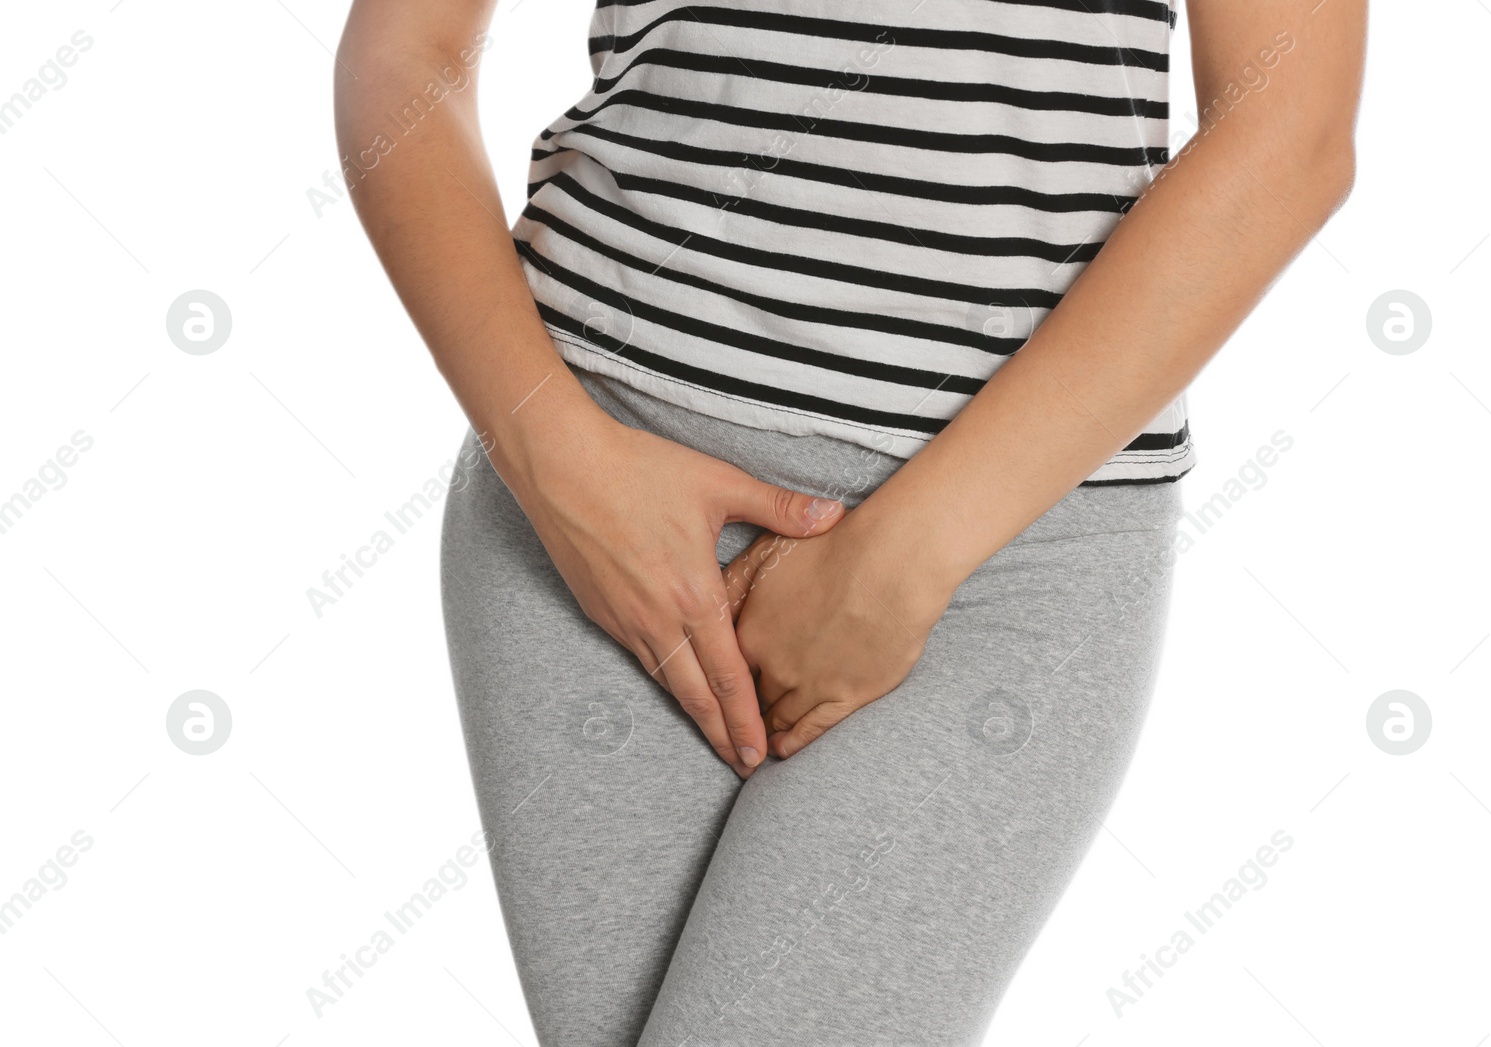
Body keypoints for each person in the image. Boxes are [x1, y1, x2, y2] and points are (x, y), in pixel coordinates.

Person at [334, 1, 1364, 1043]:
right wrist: (550, 452)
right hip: (603, 494)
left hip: (1002, 557)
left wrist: (910, 554)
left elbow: (1290, 128)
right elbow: (404, 50)